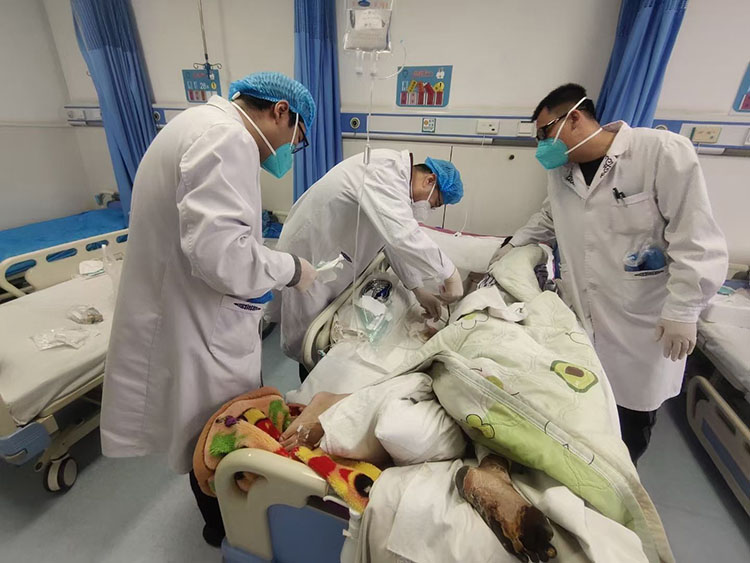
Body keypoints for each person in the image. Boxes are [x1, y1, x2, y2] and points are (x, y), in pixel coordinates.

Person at [100, 72, 318, 546]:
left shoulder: (196, 123)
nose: (288, 152)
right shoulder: (228, 138)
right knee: (217, 425)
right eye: (295, 138)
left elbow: (210, 240)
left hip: (185, 308)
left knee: (202, 422)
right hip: (200, 321)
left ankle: (218, 518)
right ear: (281, 111)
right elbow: (224, 257)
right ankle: (226, 529)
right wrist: (290, 268)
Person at [492, 83, 727, 463]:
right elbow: (550, 216)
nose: (542, 145)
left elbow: (695, 237)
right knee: (583, 413)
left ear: (575, 118)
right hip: (582, 317)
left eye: (545, 133)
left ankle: (618, 483)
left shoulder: (659, 152)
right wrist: (512, 245)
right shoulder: (562, 174)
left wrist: (684, 310)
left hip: (642, 324)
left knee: (629, 427)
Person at [273, 149, 465, 376]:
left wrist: (418, 289)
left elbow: (390, 242)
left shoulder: (396, 188)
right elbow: (402, 236)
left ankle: (314, 371)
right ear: (429, 180)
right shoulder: (384, 172)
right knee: (306, 335)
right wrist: (450, 273)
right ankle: (309, 380)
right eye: (435, 203)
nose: (430, 209)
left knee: (318, 327)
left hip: (333, 254)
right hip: (312, 252)